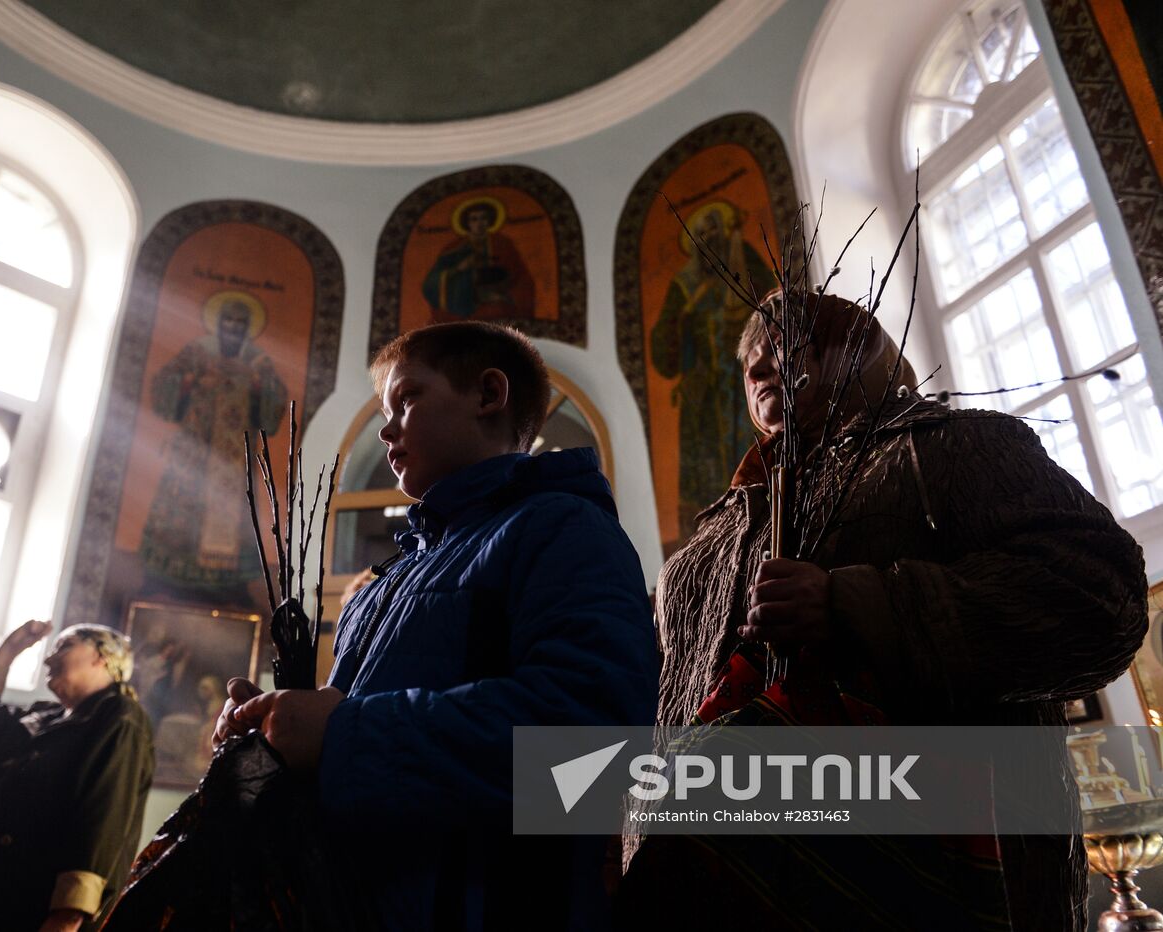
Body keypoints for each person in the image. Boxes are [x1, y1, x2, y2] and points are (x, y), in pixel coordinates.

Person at [619, 291, 1149, 930]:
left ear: (857, 344)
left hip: (931, 880)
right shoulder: (710, 536)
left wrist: (855, 603)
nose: (757, 369)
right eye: (749, 362)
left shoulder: (953, 447)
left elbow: (1100, 596)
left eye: (783, 344)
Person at [216, 321, 659, 930]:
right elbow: (344, 730)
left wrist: (342, 737)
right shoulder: (387, 583)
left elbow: (596, 754)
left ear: (488, 395)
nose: (386, 429)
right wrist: (274, 728)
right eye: (384, 412)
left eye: (407, 399)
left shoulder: (564, 530)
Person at [0, 621, 154, 932]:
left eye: (64, 646)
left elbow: (104, 815)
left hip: (33, 909)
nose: (48, 659)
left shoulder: (120, 715)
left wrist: (69, 914)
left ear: (102, 657)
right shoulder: (44, 717)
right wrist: (11, 648)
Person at [140, 289, 287, 591]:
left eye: (239, 323)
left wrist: (256, 384)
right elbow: (165, 386)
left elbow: (273, 405)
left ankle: (226, 584)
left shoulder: (257, 361)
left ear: (246, 329)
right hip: (194, 448)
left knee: (232, 512)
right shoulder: (197, 352)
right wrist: (190, 380)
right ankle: (167, 575)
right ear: (218, 324)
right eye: (228, 321)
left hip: (232, 457)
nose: (233, 328)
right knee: (182, 505)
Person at [649, 200, 777, 536]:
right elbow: (664, 355)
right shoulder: (684, 285)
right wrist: (678, 326)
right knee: (707, 476)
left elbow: (777, 311)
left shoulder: (745, 263)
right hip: (704, 396)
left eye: (714, 230)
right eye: (701, 235)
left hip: (744, 387)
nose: (709, 240)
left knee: (756, 455)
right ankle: (714, 532)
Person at [423, 198, 536, 320]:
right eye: (474, 219)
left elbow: (518, 273)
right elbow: (431, 282)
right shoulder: (454, 248)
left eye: (483, 218)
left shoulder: (502, 243)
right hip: (463, 299)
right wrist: (459, 269)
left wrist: (503, 292)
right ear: (467, 223)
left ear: (490, 221)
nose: (479, 223)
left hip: (497, 295)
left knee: (500, 310)